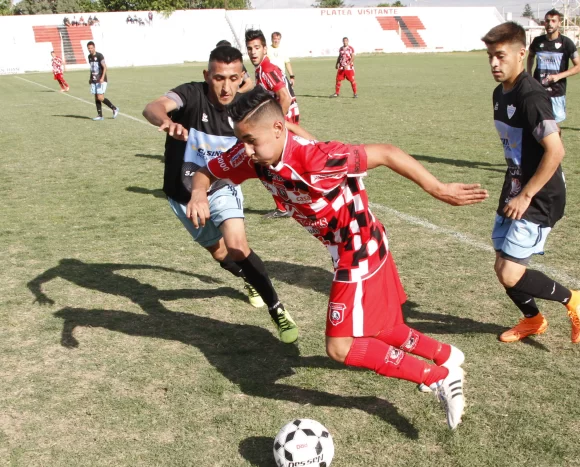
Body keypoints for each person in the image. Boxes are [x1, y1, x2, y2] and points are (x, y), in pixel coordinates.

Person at [187, 86, 490, 429]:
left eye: (250, 141)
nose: (244, 150)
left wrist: (438, 188)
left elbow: (387, 152)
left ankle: (437, 377)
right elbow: (207, 171)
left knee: (339, 347)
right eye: (240, 139)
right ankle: (447, 356)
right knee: (384, 328)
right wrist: (199, 193)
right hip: (349, 247)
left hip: (358, 246)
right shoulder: (254, 155)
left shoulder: (315, 159)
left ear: (277, 129)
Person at [141, 45, 300, 344]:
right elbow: (154, 106)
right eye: (218, 78)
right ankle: (247, 279)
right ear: (207, 76)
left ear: (241, 77)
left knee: (237, 245)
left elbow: (285, 127)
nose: (225, 86)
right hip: (182, 194)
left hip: (222, 186)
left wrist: (317, 146)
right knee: (221, 253)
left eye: (232, 78)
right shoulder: (190, 95)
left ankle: (276, 307)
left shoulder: (245, 104)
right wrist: (165, 120)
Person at [482, 22, 580, 345]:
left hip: (539, 195)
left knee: (510, 272)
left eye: (500, 56)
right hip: (515, 187)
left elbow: (556, 150)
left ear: (521, 54)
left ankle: (575, 299)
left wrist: (527, 195)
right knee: (502, 264)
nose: (493, 63)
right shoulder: (500, 93)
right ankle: (533, 320)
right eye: (490, 56)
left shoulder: (531, 96)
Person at [245, 28, 300, 219]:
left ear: (265, 49)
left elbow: (285, 97)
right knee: (274, 163)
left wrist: (278, 124)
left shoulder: (267, 69)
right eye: (250, 48)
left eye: (257, 47)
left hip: (284, 119)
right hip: (281, 119)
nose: (253, 52)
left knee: (267, 164)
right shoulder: (261, 69)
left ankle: (286, 206)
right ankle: (288, 204)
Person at [526, 10, 580, 124]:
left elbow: (579, 67)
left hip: (557, 91)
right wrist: (529, 74)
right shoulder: (537, 41)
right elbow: (530, 56)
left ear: (559, 23)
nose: (550, 24)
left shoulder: (566, 43)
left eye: (553, 21)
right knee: (538, 123)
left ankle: (557, 142)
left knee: (555, 125)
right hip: (539, 90)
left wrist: (558, 76)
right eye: (547, 21)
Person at [87, 41, 119, 121]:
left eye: (91, 48)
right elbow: (92, 68)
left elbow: (104, 67)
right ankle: (100, 115)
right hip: (94, 80)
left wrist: (102, 77)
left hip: (101, 80)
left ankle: (114, 108)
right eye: (89, 48)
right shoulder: (89, 57)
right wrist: (90, 78)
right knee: (96, 97)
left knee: (100, 97)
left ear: (94, 47)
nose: (90, 49)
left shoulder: (99, 56)